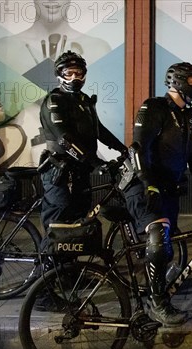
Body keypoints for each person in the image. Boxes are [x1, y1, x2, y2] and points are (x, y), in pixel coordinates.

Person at [123, 62, 192, 326]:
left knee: (168, 245)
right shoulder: (154, 107)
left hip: (168, 187)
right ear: (179, 82)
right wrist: (147, 183)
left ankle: (157, 283)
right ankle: (157, 303)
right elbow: (137, 148)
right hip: (143, 185)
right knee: (159, 236)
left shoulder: (189, 115)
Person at [38, 51, 126, 233]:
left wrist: (123, 149)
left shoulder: (84, 100)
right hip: (59, 171)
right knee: (59, 217)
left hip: (81, 169)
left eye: (78, 73)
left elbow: (99, 130)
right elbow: (64, 139)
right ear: (59, 75)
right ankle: (47, 260)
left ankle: (72, 261)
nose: (74, 77)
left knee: (80, 215)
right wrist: (95, 163)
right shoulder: (55, 101)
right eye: (68, 73)